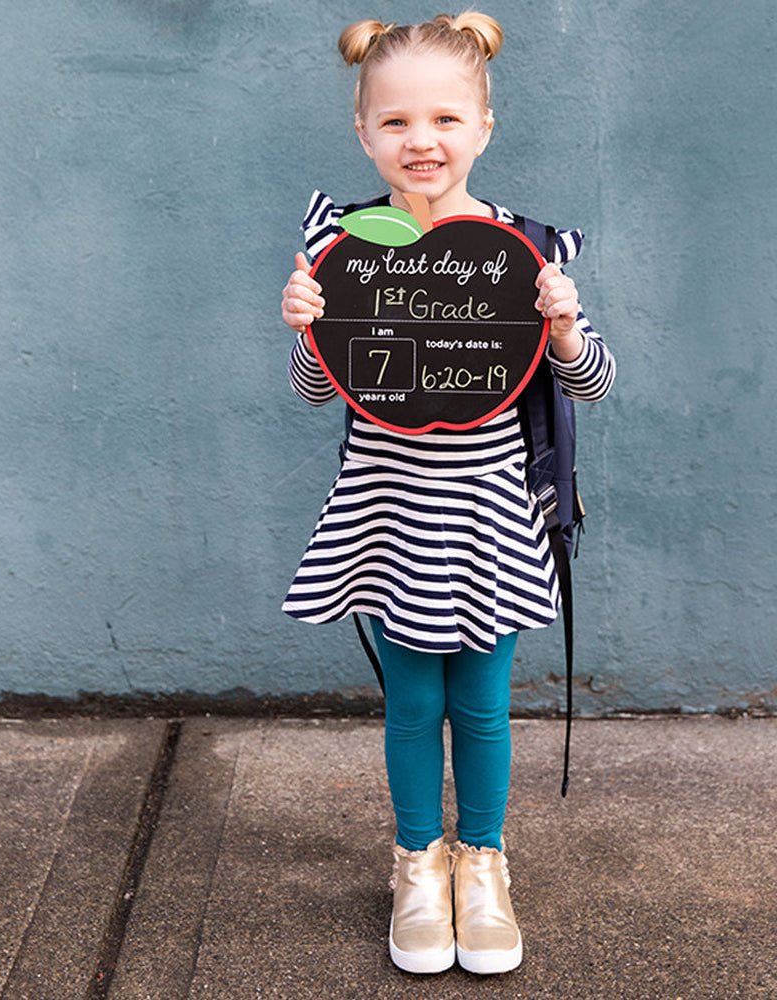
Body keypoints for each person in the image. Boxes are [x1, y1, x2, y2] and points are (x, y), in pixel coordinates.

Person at [279, 12, 615, 976]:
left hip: (489, 516)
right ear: (362, 132)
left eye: (444, 119)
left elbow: (590, 384)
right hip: (386, 513)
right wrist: (305, 323)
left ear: (483, 126)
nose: (421, 141)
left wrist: (564, 331)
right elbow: (319, 389)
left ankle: (484, 863)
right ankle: (417, 863)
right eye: (395, 123)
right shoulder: (344, 244)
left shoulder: (526, 246)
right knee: (410, 702)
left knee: (483, 702)